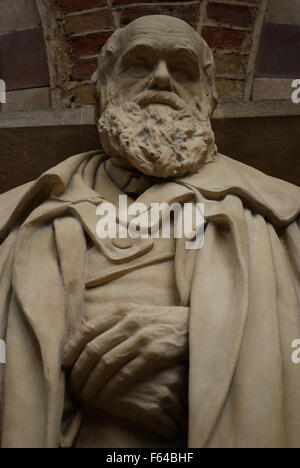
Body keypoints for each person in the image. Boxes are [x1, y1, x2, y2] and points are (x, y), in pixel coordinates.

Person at [0, 15, 299, 448]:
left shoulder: (280, 215)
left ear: (209, 97)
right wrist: (81, 380)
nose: (161, 80)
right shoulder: (16, 219)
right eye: (139, 64)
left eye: (181, 69)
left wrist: (203, 340)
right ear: (102, 88)